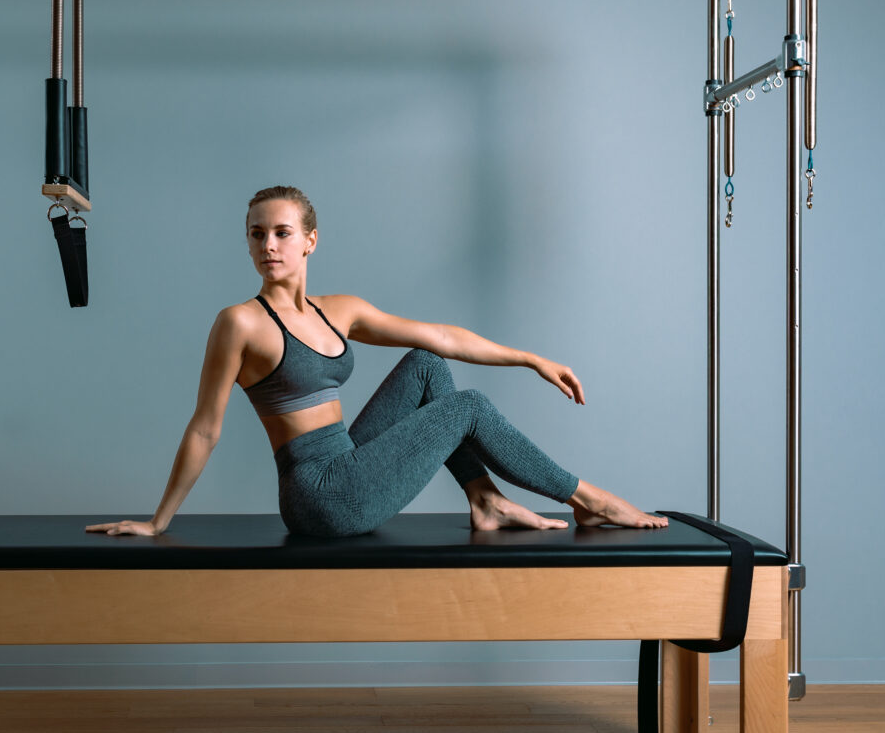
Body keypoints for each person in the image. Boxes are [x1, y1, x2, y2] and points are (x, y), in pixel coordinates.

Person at [87, 186, 668, 538]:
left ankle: (484, 500)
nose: (269, 246)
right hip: (320, 495)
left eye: (282, 233)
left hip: (351, 464)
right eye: (257, 234)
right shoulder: (240, 323)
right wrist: (159, 520)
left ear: (310, 240)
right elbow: (204, 427)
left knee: (425, 367)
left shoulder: (341, 310)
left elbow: (440, 336)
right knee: (464, 408)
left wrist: (529, 358)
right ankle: (589, 499)